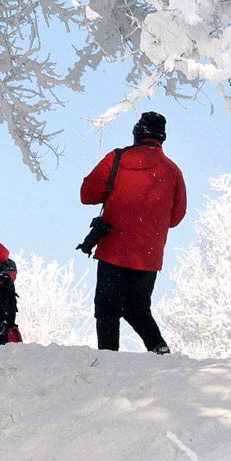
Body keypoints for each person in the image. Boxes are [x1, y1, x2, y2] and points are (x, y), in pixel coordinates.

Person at [80, 112, 187, 353]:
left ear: (137, 133)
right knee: (137, 308)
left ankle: (108, 358)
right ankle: (159, 348)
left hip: (113, 249)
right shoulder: (173, 171)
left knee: (107, 309)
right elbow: (176, 218)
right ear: (162, 138)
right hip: (148, 254)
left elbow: (87, 195)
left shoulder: (116, 159)